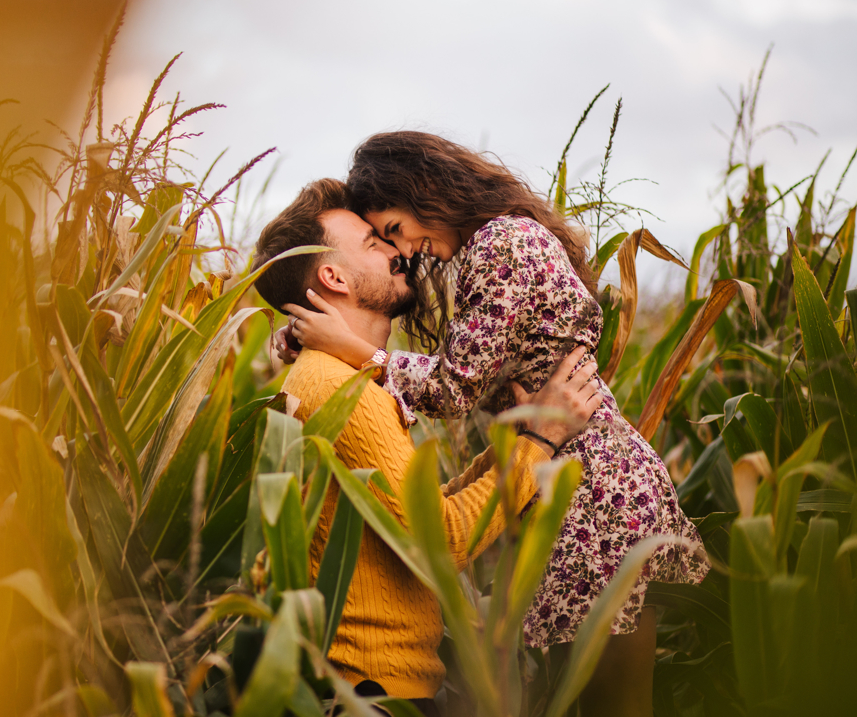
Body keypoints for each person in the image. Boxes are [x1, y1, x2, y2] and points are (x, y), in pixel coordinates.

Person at [277, 133, 708, 717]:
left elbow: (453, 388)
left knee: (614, 702)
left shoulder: (500, 245)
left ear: (423, 190)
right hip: (574, 474)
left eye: (394, 229)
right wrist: (318, 339)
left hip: (593, 486)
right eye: (381, 240)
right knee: (593, 698)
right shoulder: (498, 242)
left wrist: (354, 350)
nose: (401, 250)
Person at [252, 178, 603, 717]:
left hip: (375, 685)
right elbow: (442, 541)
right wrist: (539, 441)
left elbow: (414, 512)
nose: (398, 252)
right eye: (374, 242)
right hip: (372, 694)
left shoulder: (341, 378)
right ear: (333, 277)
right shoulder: (338, 389)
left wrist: (528, 438)